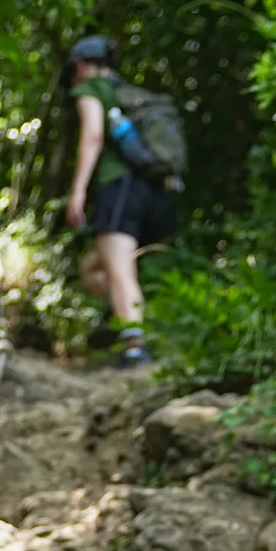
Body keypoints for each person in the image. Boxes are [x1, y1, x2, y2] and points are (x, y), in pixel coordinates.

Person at [62, 35, 177, 372]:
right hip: (154, 193)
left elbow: (93, 135)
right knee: (92, 270)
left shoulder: (91, 91)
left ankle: (134, 348)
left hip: (120, 189)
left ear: (82, 66)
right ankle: (127, 318)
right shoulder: (129, 95)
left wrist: (78, 191)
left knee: (119, 269)